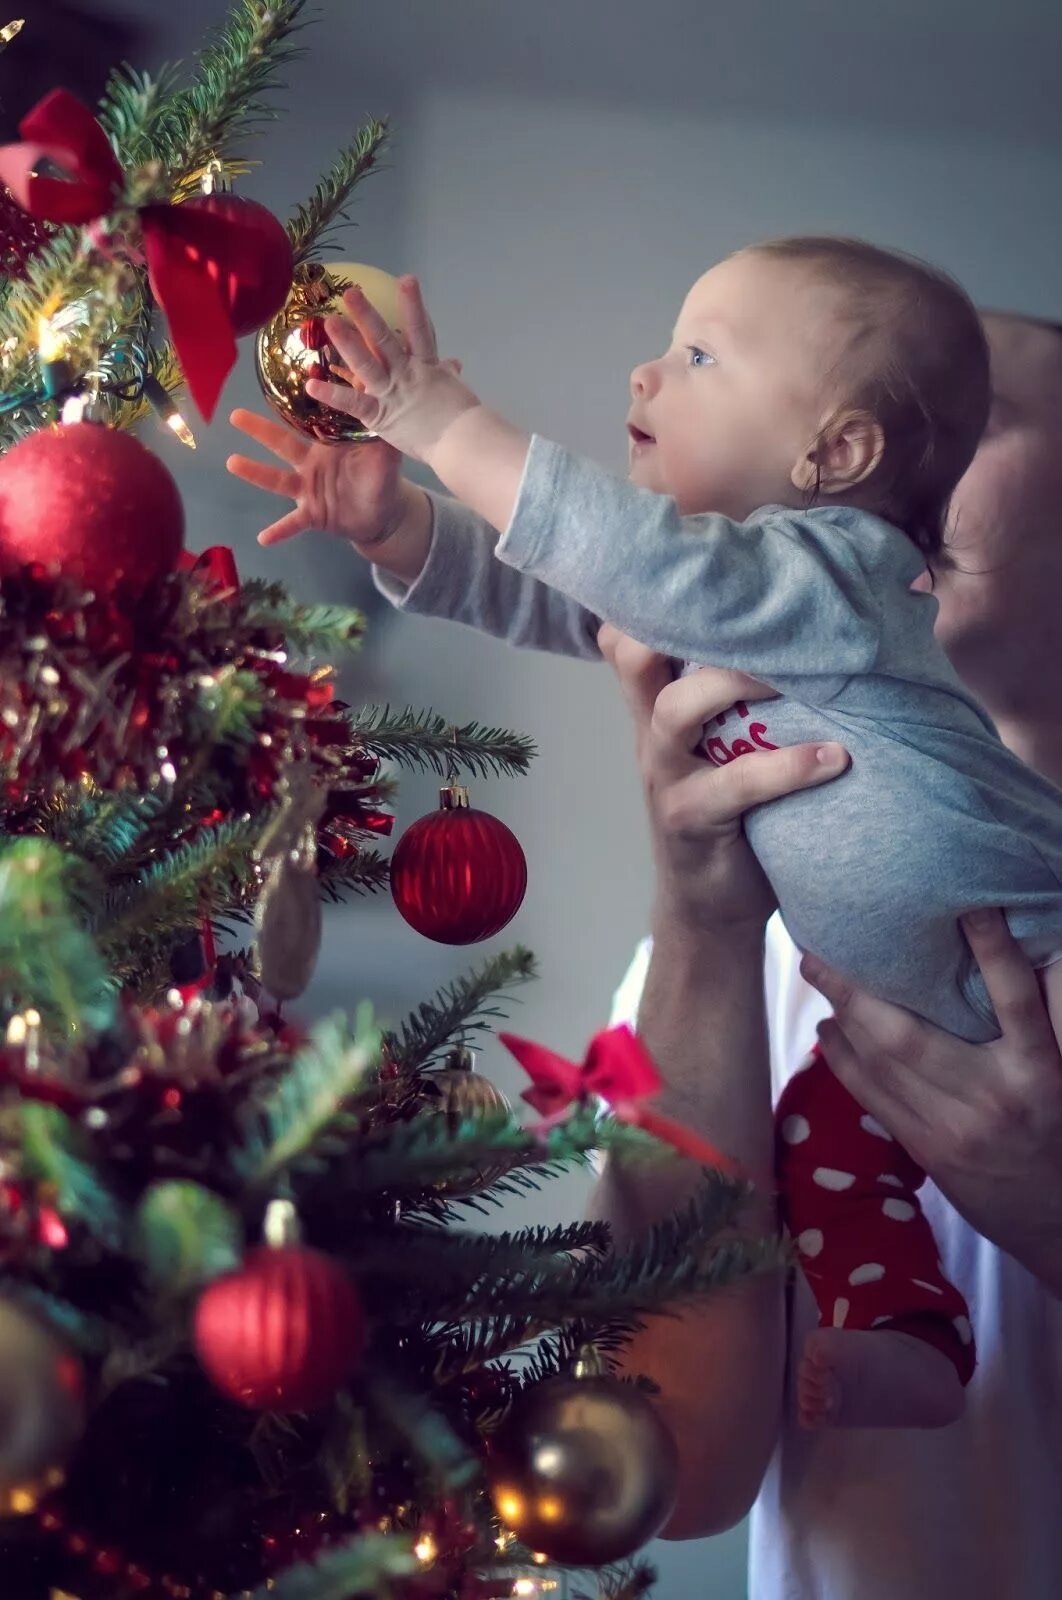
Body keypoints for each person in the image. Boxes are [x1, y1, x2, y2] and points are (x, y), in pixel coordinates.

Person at [228, 237, 1062, 1432]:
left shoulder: (839, 568)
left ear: (840, 455)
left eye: (700, 355)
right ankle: (904, 1332)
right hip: (898, 1015)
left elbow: (624, 553)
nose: (645, 375)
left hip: (1040, 937)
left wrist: (443, 418)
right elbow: (566, 589)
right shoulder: (725, 613)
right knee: (826, 1143)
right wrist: (401, 529)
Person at [598, 309, 1062, 1597]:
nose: (863, 458)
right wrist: (699, 916)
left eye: (964, 414)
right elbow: (674, 1474)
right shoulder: (726, 941)